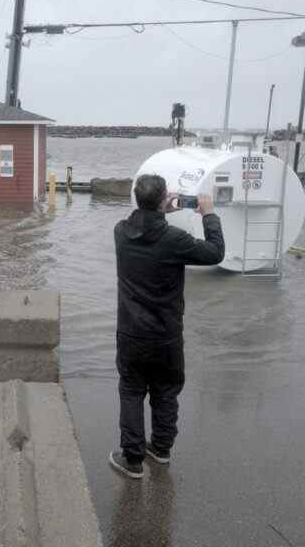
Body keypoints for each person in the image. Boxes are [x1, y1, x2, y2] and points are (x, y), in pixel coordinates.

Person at [109, 174, 225, 479]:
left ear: (136, 198)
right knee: (165, 392)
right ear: (163, 200)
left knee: (132, 391)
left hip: (131, 332)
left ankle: (132, 459)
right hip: (166, 334)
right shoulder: (175, 240)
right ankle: (160, 449)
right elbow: (216, 252)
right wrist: (209, 214)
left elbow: (141, 225)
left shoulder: (120, 232)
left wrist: (159, 211)